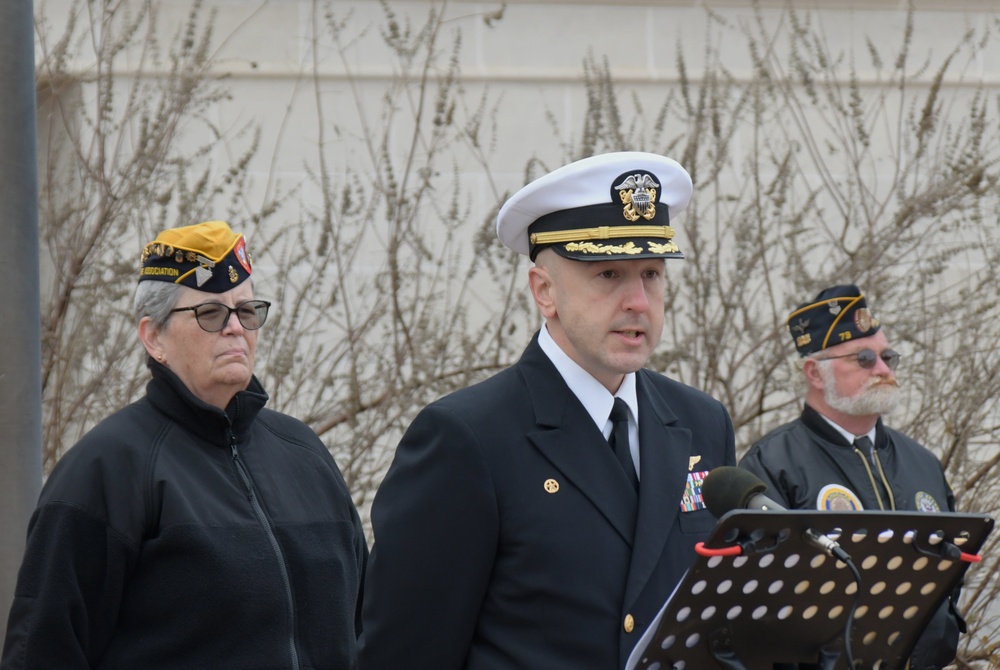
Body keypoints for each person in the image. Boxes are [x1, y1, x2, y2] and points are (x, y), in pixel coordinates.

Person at [358, 152, 737, 669]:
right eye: (608, 274)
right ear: (544, 291)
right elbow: (405, 654)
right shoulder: (468, 437)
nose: (639, 302)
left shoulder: (700, 421)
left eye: (651, 273)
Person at [1, 221, 368, 669]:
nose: (236, 328)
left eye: (247, 311)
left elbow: (366, 626)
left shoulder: (305, 455)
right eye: (210, 314)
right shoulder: (107, 468)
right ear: (154, 338)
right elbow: (42, 651)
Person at [740, 284, 963, 670]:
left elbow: (951, 572)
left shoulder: (922, 462)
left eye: (887, 356)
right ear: (814, 372)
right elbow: (762, 598)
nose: (882, 369)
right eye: (863, 358)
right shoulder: (772, 464)